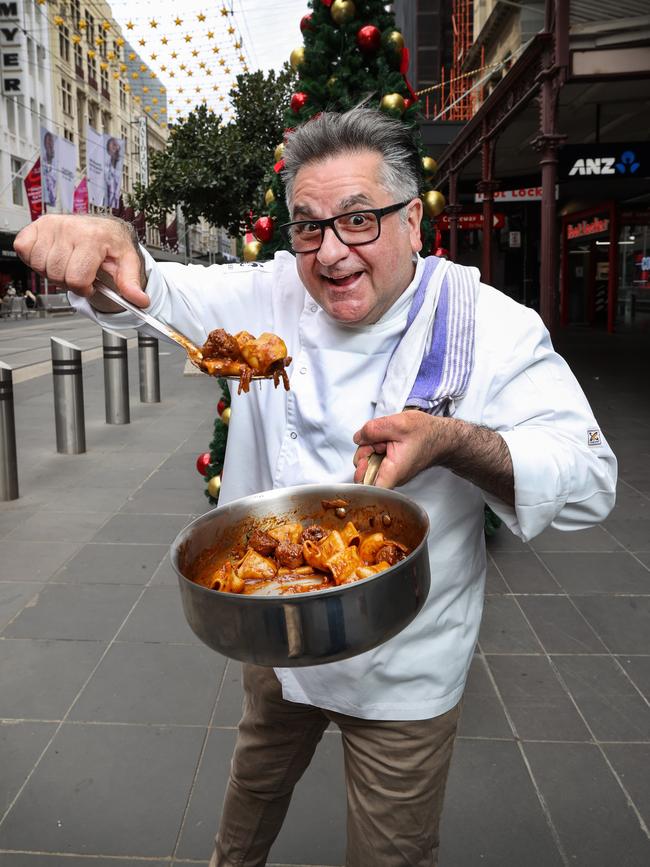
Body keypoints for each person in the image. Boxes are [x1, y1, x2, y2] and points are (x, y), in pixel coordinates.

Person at [13, 108, 617, 866]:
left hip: (407, 659)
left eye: (359, 220)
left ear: (415, 224)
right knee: (249, 803)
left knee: (392, 853)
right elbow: (153, 291)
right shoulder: (272, 298)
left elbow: (591, 476)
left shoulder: (491, 326)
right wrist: (110, 243)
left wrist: (453, 442)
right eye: (308, 226)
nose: (331, 252)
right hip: (277, 628)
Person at [105, 136, 123, 210]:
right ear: (109, 151)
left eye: (117, 146)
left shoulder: (117, 168)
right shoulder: (106, 169)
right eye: (113, 147)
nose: (116, 149)